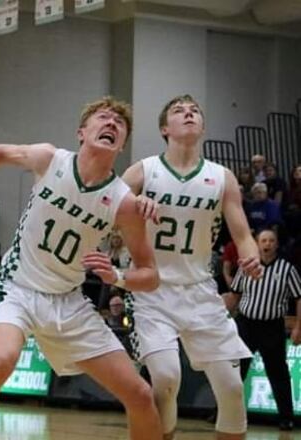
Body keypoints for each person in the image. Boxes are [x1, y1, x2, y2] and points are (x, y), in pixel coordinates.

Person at [0, 97, 163, 440]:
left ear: (123, 143)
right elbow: (6, 153)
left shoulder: (124, 202)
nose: (111, 123)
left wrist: (118, 277)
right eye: (103, 118)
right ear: (82, 132)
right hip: (18, 287)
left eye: (119, 123)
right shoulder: (50, 159)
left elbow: (151, 275)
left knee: (140, 394)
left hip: (68, 300)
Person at [122, 94, 263, 440]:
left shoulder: (222, 177)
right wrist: (131, 205)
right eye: (178, 111)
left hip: (200, 290)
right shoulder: (142, 171)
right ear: (163, 128)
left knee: (231, 388)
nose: (188, 114)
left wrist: (251, 254)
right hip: (151, 290)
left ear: (202, 127)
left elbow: (242, 232)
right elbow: (104, 212)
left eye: (195, 111)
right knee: (166, 378)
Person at [232, 228, 301, 431]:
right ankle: (224, 412)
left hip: (272, 326)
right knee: (235, 371)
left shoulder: (287, 269)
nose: (267, 244)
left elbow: (299, 297)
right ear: (257, 243)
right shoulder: (246, 266)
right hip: (245, 324)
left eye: (271, 240)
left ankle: (286, 417)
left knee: (278, 373)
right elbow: (234, 296)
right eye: (264, 240)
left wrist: (298, 326)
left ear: (276, 244)